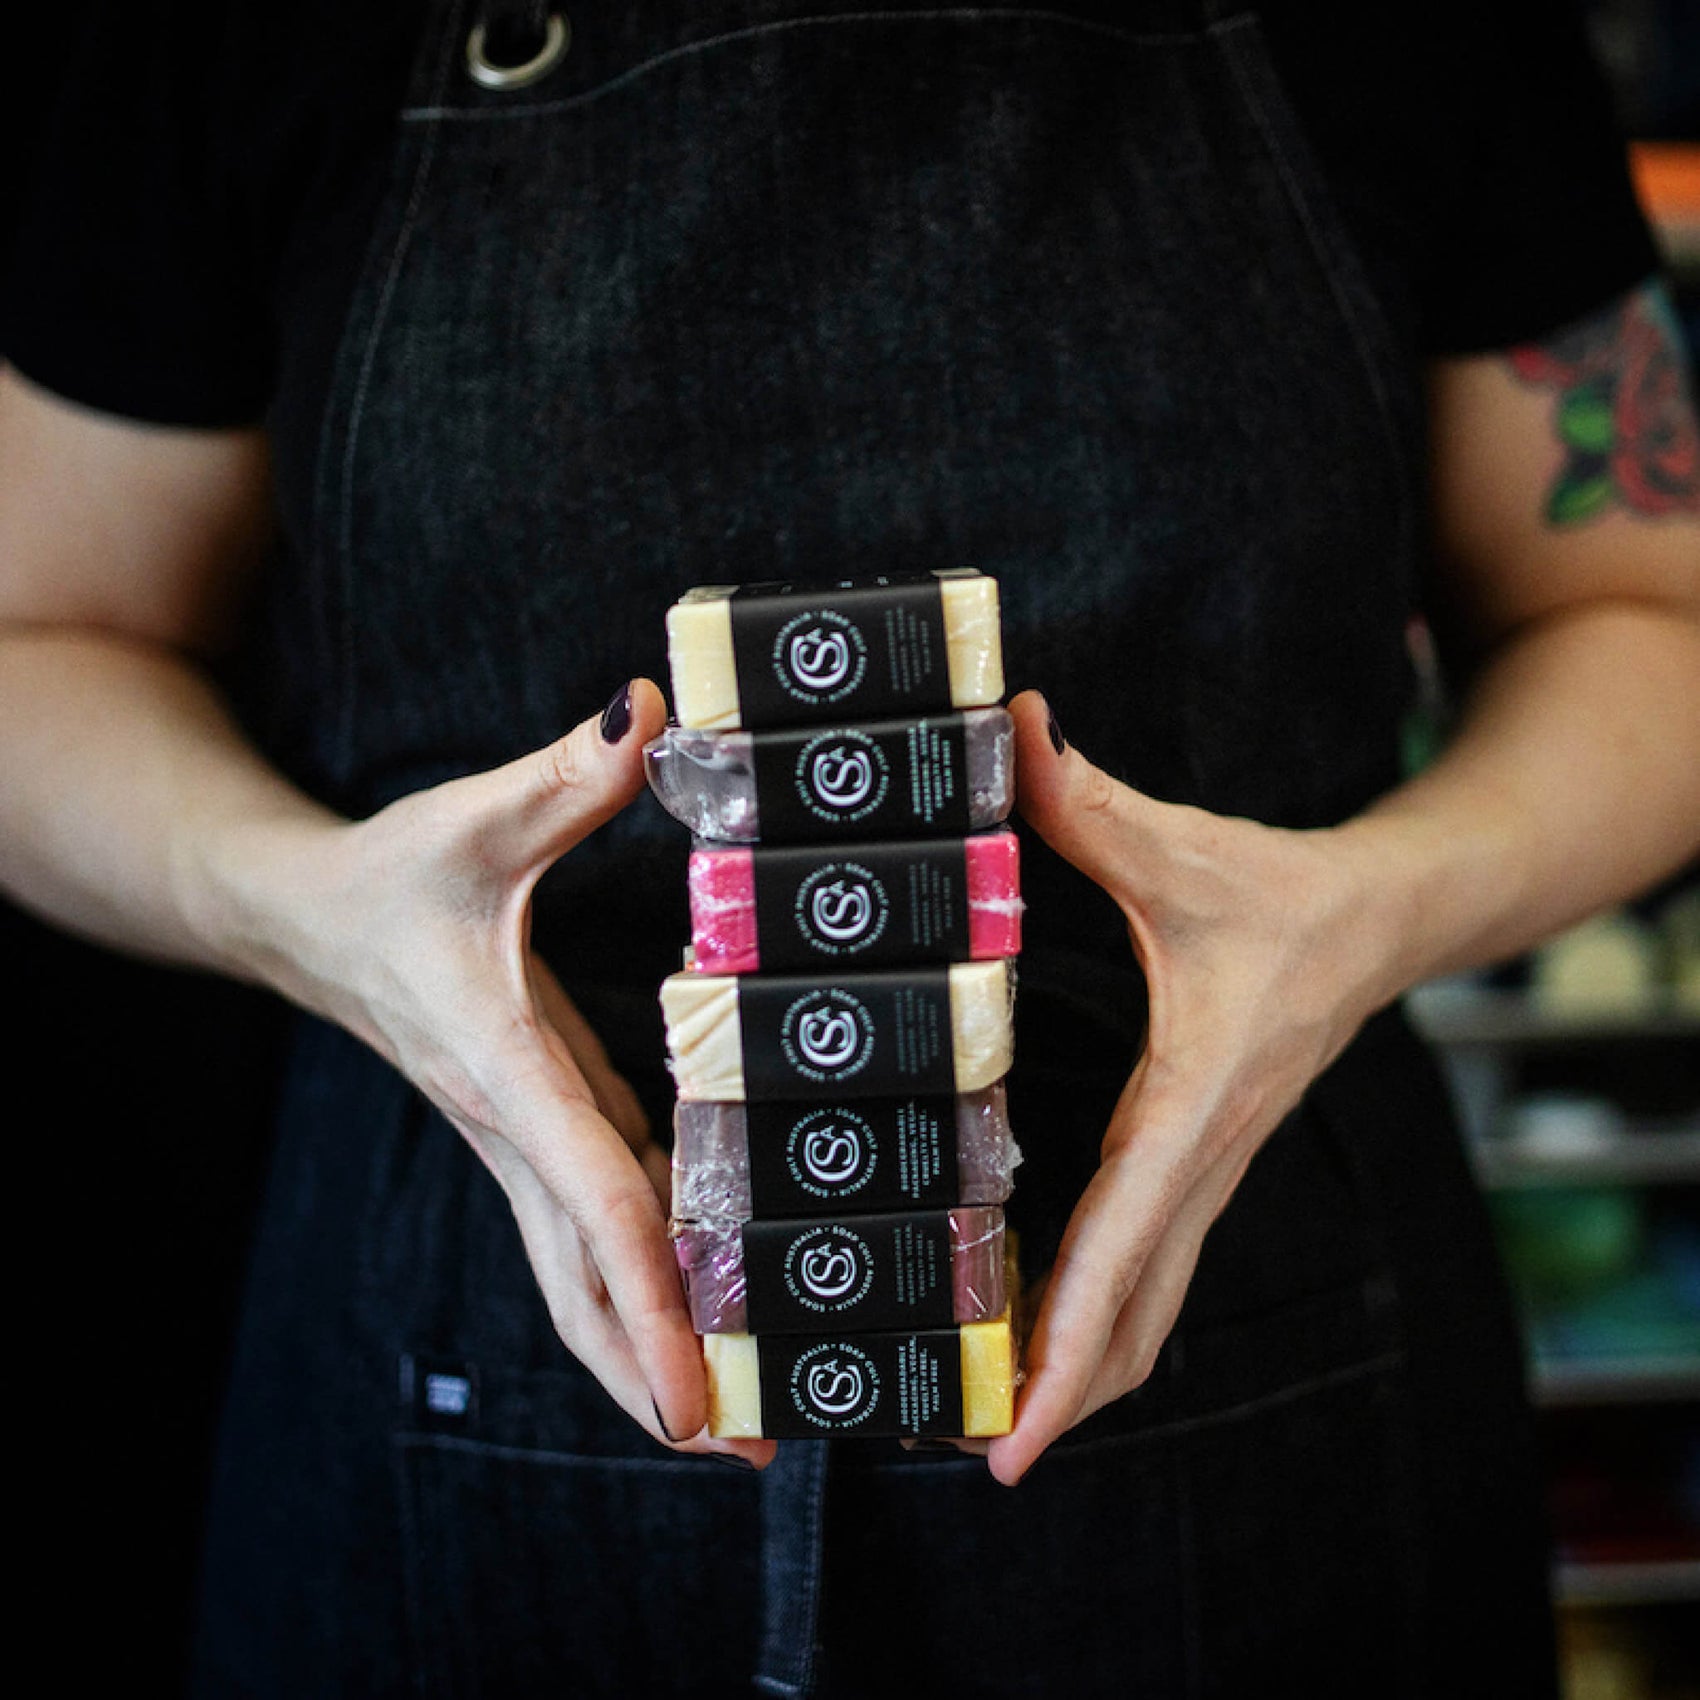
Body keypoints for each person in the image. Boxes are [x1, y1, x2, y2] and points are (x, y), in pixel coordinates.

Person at [3, 0, 1697, 1693]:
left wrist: (1377, 908)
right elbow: (40, 642)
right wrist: (316, 915)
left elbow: (1647, 609)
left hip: (1273, 1366)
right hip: (444, 1380)